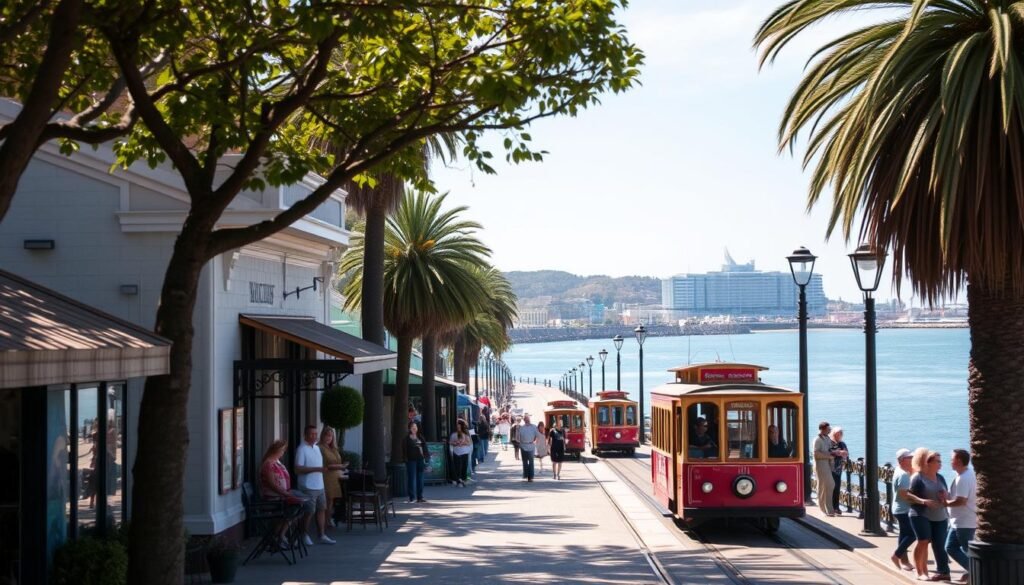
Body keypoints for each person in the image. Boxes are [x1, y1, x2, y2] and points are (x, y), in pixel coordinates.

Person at [260, 440, 314, 548]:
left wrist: (288, 493)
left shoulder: (277, 462)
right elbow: (272, 485)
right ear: (277, 450)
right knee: (296, 507)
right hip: (274, 498)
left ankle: (281, 534)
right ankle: (278, 535)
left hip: (283, 495)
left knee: (305, 503)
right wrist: (286, 494)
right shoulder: (268, 464)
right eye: (283, 451)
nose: (283, 453)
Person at [908, 448, 951, 581]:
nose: (940, 464)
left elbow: (947, 496)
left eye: (940, 461)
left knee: (940, 544)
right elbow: (909, 496)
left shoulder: (940, 477)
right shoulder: (918, 477)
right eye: (937, 461)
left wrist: (946, 496)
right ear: (928, 463)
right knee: (923, 541)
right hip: (921, 514)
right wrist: (923, 501)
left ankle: (943, 571)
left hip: (940, 516)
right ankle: (919, 571)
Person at [295, 425, 335, 545]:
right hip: (308, 486)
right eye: (311, 434)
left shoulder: (317, 448)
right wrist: (316, 469)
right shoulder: (301, 449)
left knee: (322, 509)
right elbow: (297, 469)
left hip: (319, 485)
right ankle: (304, 534)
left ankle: (321, 534)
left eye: (315, 434)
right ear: (305, 435)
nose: (314, 436)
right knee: (309, 511)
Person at [943, 449, 976, 582]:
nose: (950, 461)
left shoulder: (963, 478)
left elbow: (961, 501)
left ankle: (975, 572)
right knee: (959, 548)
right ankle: (971, 572)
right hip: (962, 520)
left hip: (963, 521)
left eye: (952, 459)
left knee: (952, 547)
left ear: (959, 461)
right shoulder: (968, 474)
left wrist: (945, 503)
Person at [891, 448, 917, 572]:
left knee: (904, 534)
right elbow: (903, 494)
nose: (912, 459)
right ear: (902, 460)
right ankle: (897, 555)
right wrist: (921, 500)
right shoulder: (903, 475)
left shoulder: (899, 470)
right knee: (912, 534)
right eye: (909, 458)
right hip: (903, 510)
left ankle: (904, 561)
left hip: (898, 508)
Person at [317, 427, 348, 527]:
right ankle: (325, 522)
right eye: (327, 435)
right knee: (326, 499)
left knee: (331, 500)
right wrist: (340, 466)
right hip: (326, 476)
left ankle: (328, 520)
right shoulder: (319, 447)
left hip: (336, 477)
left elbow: (337, 461)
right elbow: (323, 465)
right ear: (322, 435)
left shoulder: (333, 448)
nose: (328, 438)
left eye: (330, 436)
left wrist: (342, 467)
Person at [813, 421, 836, 516]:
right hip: (820, 465)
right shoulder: (817, 440)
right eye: (828, 429)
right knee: (826, 485)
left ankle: (827, 508)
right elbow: (816, 454)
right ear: (822, 429)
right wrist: (829, 456)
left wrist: (836, 452)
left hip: (827, 465)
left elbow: (830, 450)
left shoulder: (827, 438)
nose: (829, 431)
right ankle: (826, 509)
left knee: (827, 486)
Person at [404, 422, 428, 503]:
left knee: (420, 478)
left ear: (417, 428)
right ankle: (412, 497)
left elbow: (425, 448)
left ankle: (420, 497)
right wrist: (405, 459)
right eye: (412, 427)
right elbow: (404, 450)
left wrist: (426, 456)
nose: (414, 428)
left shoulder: (420, 437)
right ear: (409, 429)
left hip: (420, 459)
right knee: (411, 478)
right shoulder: (407, 438)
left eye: (415, 427)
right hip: (411, 460)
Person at [830, 426, 849, 515]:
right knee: (831, 488)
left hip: (838, 469)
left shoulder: (842, 444)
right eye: (838, 433)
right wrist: (838, 453)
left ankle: (836, 507)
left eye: (841, 433)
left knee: (837, 488)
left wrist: (840, 453)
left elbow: (845, 454)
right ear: (834, 434)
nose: (839, 435)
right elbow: (830, 452)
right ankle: (831, 507)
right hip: (830, 468)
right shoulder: (830, 442)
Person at [449, 420, 473, 488]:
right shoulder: (454, 434)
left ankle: (463, 479)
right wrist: (455, 443)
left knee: (464, 467)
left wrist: (463, 443)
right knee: (458, 467)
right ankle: (458, 480)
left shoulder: (466, 434)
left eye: (459, 427)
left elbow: (469, 443)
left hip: (464, 452)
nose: (458, 428)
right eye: (457, 427)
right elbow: (450, 442)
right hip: (457, 452)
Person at [517, 414, 540, 482]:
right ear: (524, 420)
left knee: (531, 461)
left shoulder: (534, 427)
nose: (527, 420)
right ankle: (526, 474)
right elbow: (519, 437)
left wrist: (534, 441)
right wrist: (520, 444)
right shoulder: (521, 428)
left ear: (529, 419)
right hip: (523, 446)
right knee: (524, 462)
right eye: (525, 419)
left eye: (528, 419)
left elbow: (537, 435)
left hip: (531, 446)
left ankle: (530, 476)